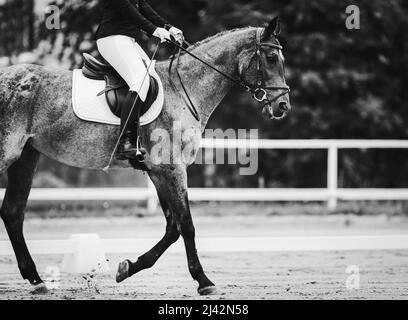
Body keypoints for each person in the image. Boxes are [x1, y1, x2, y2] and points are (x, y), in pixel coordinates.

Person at [95, 0, 183, 159]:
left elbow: (142, 6)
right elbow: (126, 9)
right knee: (140, 81)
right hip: (112, 38)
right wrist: (154, 30)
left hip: (127, 40)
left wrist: (168, 27)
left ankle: (139, 139)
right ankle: (125, 142)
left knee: (152, 78)